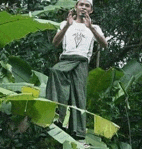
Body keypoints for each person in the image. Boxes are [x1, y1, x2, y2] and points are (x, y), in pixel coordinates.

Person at [46, 0, 108, 141]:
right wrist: (67, 25)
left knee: (78, 95)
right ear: (76, 7)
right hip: (66, 59)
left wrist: (91, 28)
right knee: (55, 72)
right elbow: (55, 43)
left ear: (91, 10)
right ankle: (56, 115)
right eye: (81, 4)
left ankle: (77, 130)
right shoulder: (65, 23)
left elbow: (104, 44)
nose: (84, 8)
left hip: (81, 62)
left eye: (87, 6)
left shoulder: (95, 27)